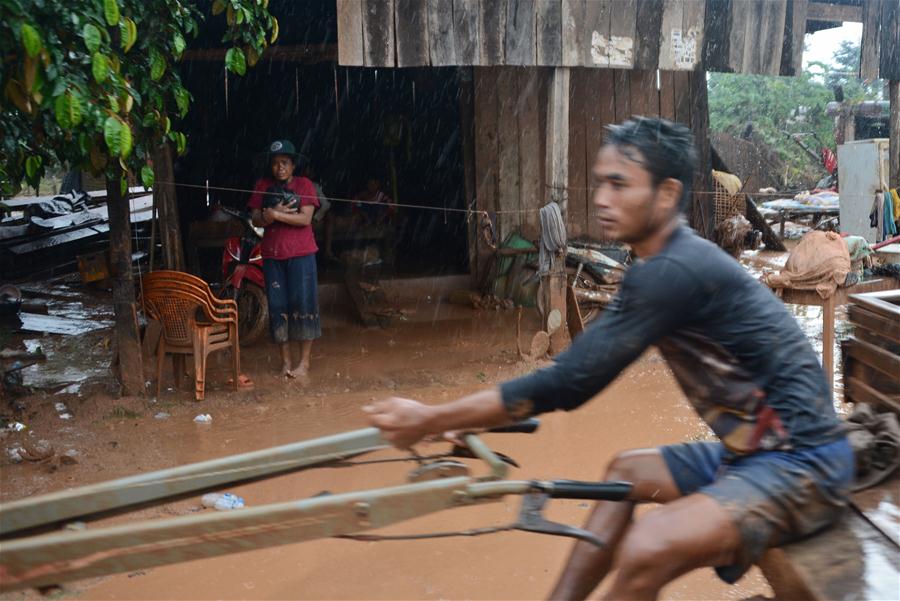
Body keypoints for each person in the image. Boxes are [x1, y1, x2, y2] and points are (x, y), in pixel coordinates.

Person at [364, 118, 851, 601]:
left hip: (802, 463)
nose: (601, 197)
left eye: (619, 184)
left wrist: (431, 418)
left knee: (648, 546)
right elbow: (576, 370)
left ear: (666, 194)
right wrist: (460, 416)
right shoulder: (660, 265)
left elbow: (569, 382)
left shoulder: (672, 270)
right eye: (600, 182)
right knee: (624, 471)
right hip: (749, 453)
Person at [247, 139, 321, 378]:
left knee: (304, 305)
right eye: (276, 163)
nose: (280, 167)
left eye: (285, 163)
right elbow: (256, 219)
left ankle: (305, 363)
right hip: (272, 256)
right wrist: (267, 217)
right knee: (279, 307)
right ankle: (285, 362)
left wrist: (275, 214)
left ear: (293, 164)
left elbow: (305, 219)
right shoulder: (262, 185)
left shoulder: (304, 185)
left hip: (301, 255)